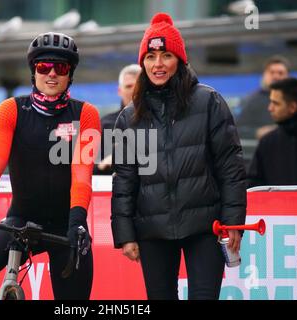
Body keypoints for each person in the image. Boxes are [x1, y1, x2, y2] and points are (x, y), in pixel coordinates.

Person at [110, 12, 246, 300]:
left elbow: (230, 167)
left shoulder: (210, 102)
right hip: (153, 230)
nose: (157, 64)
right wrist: (125, 234)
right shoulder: (128, 117)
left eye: (166, 55)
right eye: (150, 56)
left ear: (180, 60)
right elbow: (124, 179)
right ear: (142, 62)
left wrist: (233, 220)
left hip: (205, 227)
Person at [0, 32, 101, 300]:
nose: (51, 74)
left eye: (60, 68)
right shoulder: (11, 110)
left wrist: (78, 222)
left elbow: (82, 175)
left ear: (69, 73)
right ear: (33, 72)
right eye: (43, 67)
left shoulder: (86, 114)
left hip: (65, 224)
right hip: (21, 221)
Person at [247, 77, 297, 187]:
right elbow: (253, 186)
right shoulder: (267, 143)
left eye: (275, 103)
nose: (270, 108)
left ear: (292, 107)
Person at [95, 64, 142, 174]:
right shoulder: (106, 124)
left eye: (139, 85)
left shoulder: (161, 121)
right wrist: (103, 165)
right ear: (119, 91)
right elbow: (88, 169)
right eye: (129, 86)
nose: (135, 90)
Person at [235, 55, 290, 140]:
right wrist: (257, 132)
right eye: (271, 72)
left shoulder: (295, 102)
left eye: (281, 73)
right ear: (264, 75)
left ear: (287, 77)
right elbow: (234, 130)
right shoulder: (249, 101)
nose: (276, 76)